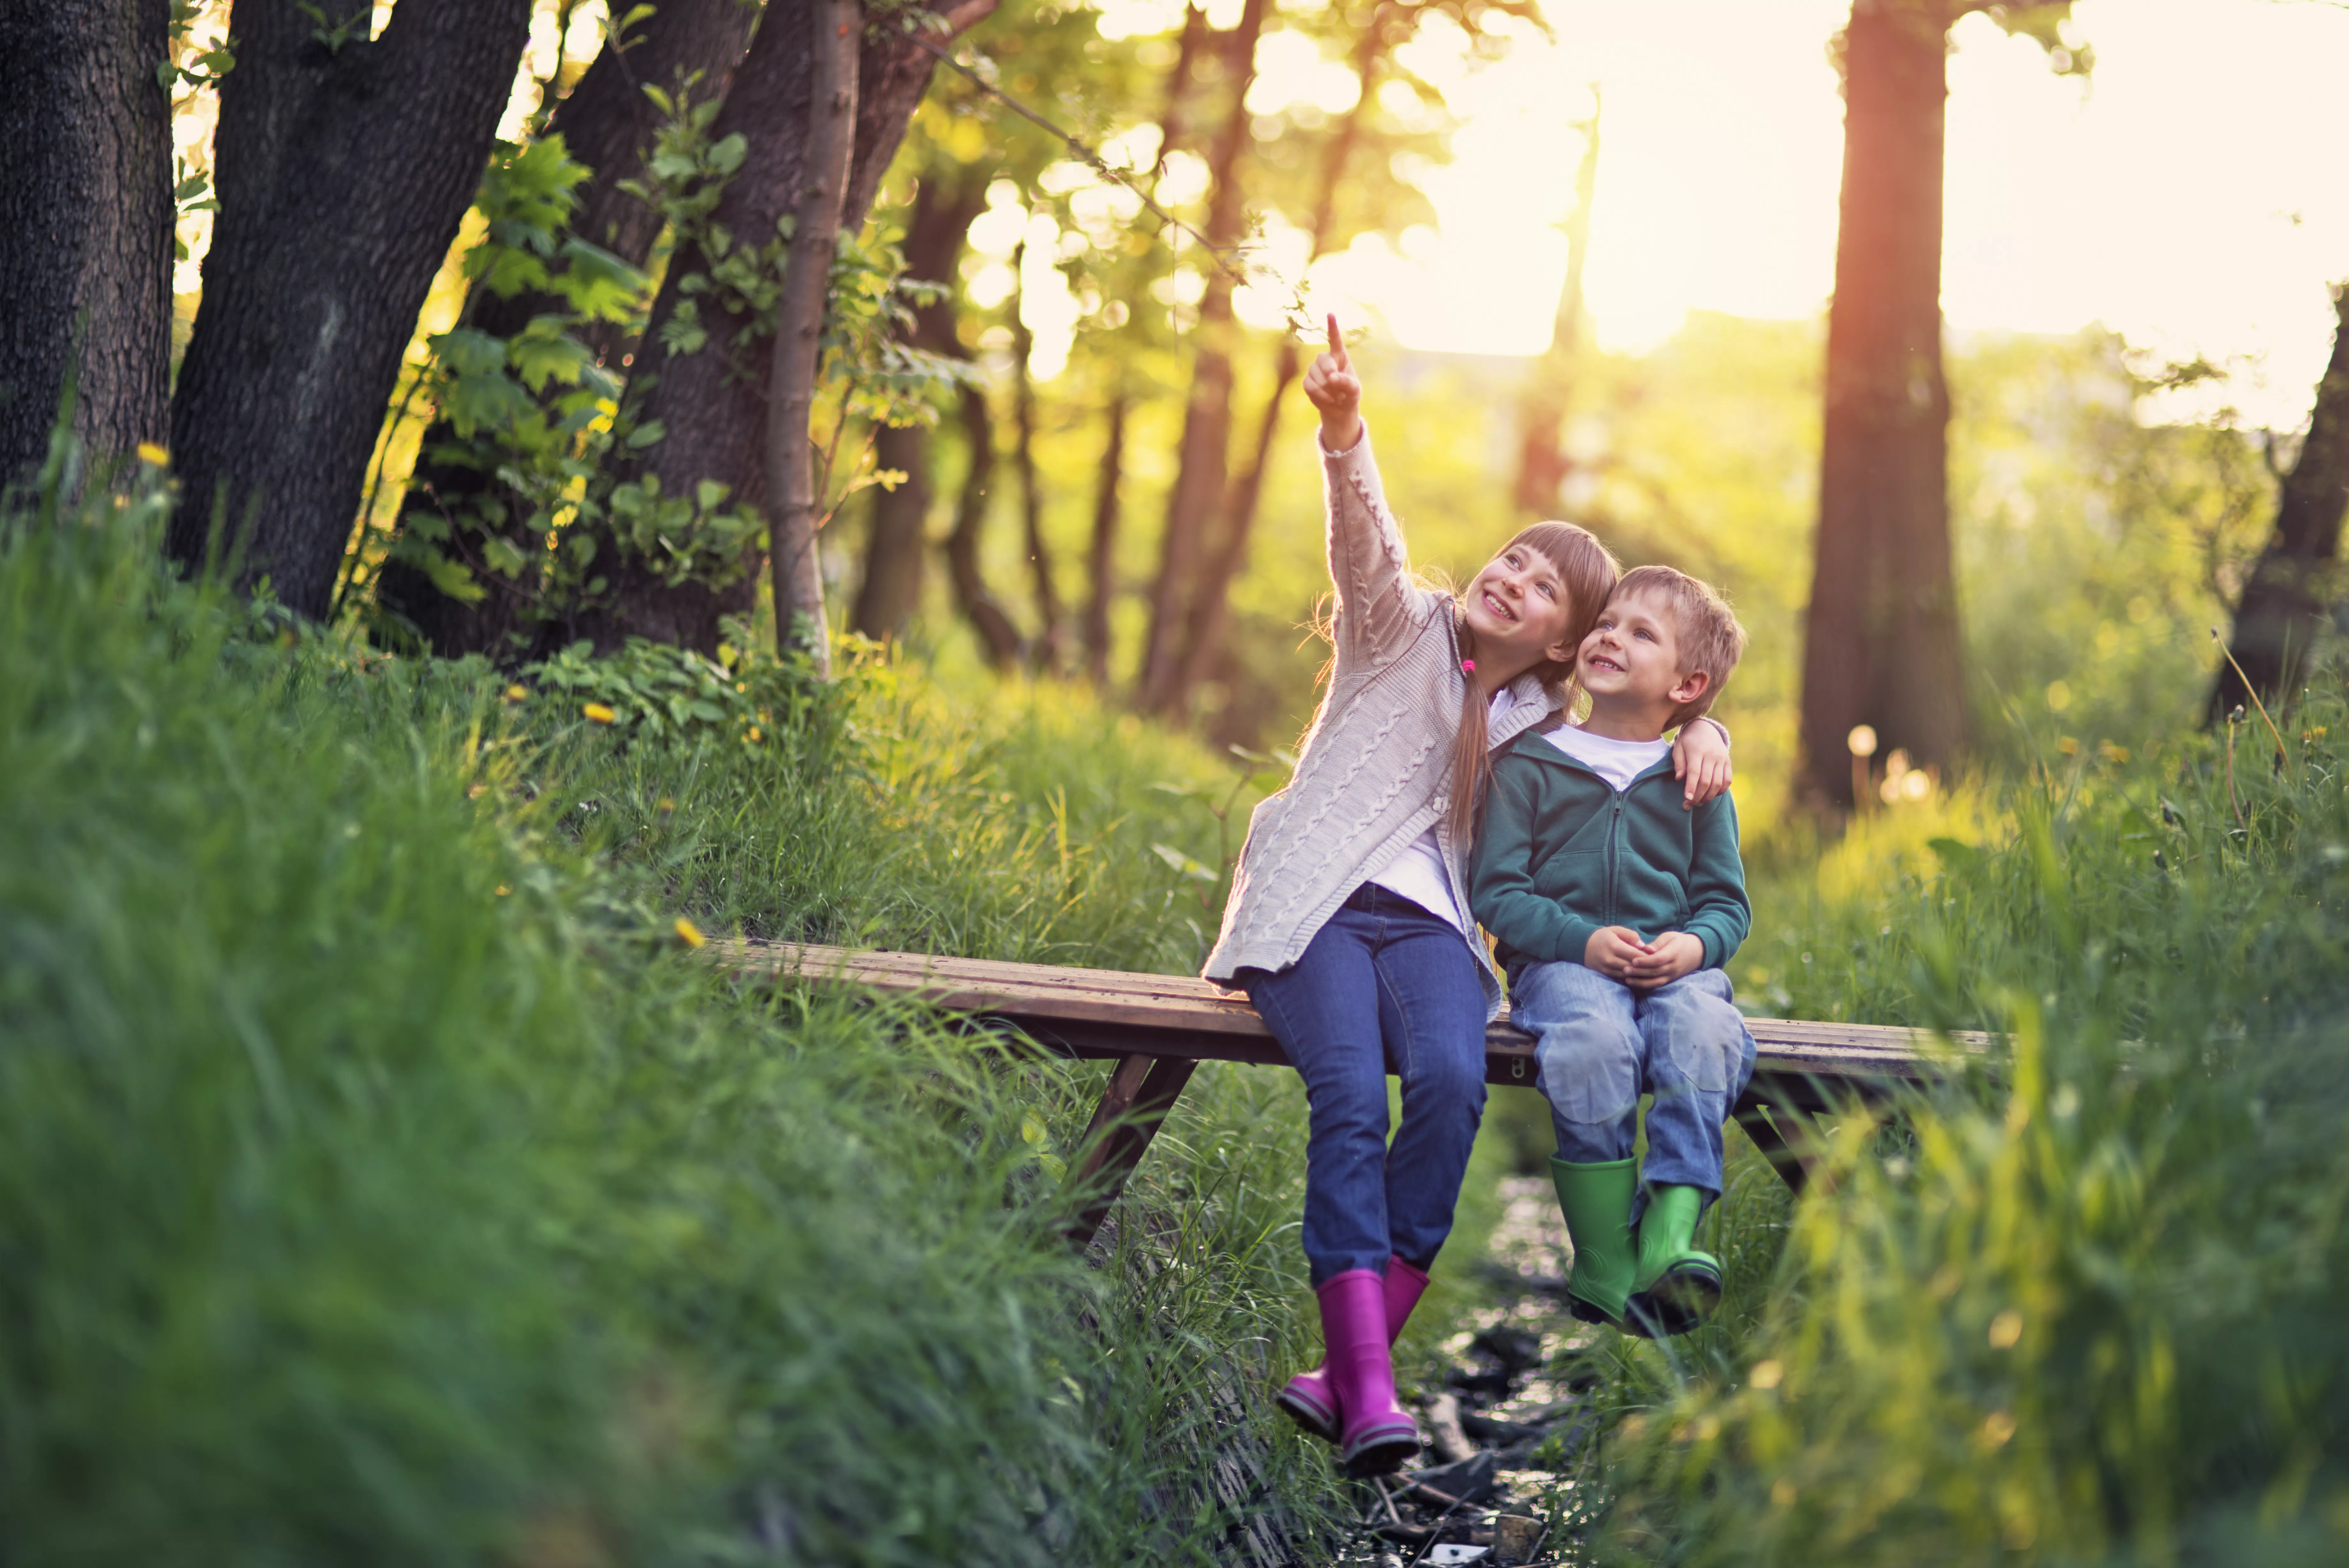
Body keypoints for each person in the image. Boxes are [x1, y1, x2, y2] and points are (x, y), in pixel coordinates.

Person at [1208, 318, 1733, 1474]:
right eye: (1511, 560)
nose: (1511, 579)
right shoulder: (1396, 630)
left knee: (1450, 1088)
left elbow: (1637, 718)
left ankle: (1345, 1375)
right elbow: (1364, 538)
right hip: (1317, 913)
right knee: (1352, 1095)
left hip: (1435, 934)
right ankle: (1370, 1386)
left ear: (1564, 642)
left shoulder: (1541, 722)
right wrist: (1343, 428)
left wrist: (1708, 731)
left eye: (1544, 587)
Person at [1468, 565, 1754, 1338]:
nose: (1609, 636)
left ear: (1687, 685)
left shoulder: (1697, 777)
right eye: (1606, 622)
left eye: (1641, 632)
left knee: (1706, 1029)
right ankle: (1601, 1255)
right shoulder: (1529, 762)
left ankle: (1669, 1235)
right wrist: (1581, 940)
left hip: (1676, 970)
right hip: (1561, 964)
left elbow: (1727, 905)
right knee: (1594, 1039)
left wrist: (1694, 946)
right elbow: (1497, 891)